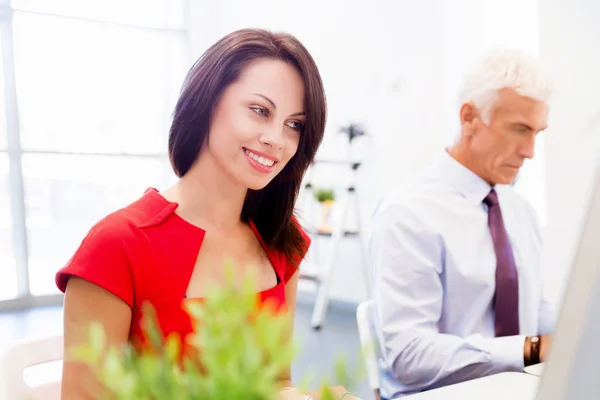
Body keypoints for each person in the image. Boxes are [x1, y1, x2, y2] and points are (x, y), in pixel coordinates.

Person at [56, 28, 357, 400]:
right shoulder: (117, 246)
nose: (277, 139)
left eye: (294, 124)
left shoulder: (280, 235)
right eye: (260, 111)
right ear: (207, 102)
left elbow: (275, 383)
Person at [368, 49, 556, 398]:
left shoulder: (521, 212)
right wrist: (529, 350)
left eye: (537, 133)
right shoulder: (408, 213)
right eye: (519, 129)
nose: (530, 150)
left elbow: (538, 315)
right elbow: (409, 355)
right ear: (469, 117)